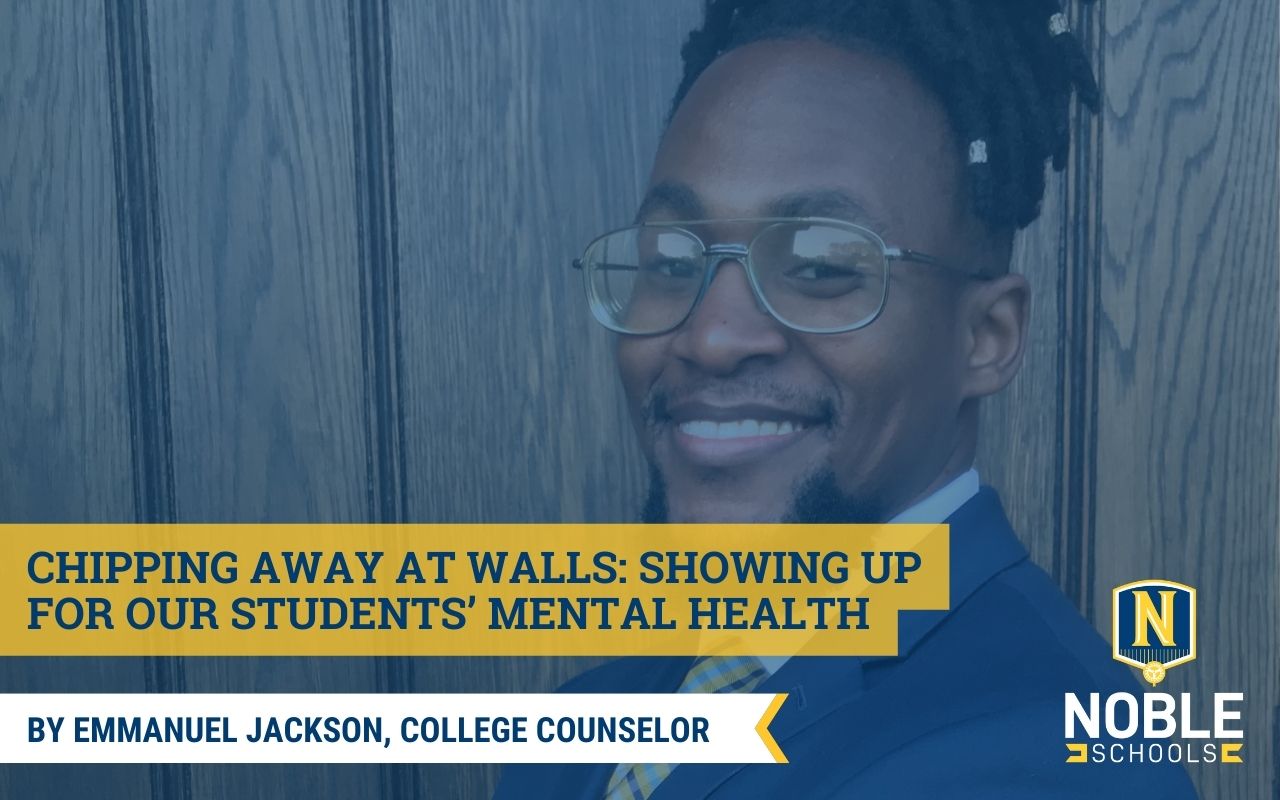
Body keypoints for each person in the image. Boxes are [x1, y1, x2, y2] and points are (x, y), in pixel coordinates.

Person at [496, 1, 1197, 797]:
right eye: (670, 260)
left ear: (988, 336)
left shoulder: (1045, 758)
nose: (711, 337)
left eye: (823, 265)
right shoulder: (591, 718)